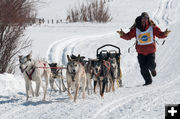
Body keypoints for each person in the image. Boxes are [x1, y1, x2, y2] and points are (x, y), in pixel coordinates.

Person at [117, 12, 171, 86]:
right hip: (141, 52)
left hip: (150, 51)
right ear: (141, 18)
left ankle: (153, 70)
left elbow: (159, 34)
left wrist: (165, 34)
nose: (144, 20)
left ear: (148, 19)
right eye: (143, 18)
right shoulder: (136, 29)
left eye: (146, 18)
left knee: (151, 64)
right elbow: (129, 36)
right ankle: (148, 82)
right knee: (143, 68)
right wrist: (122, 35)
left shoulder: (152, 27)